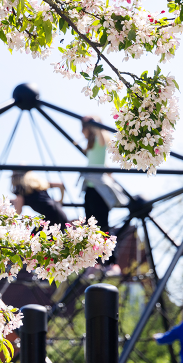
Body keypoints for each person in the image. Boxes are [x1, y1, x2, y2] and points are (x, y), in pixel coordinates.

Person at [80, 116, 127, 273]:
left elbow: (102, 137)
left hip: (99, 188)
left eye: (85, 127)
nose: (82, 130)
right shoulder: (91, 144)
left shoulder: (100, 140)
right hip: (90, 187)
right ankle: (95, 261)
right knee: (91, 225)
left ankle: (112, 262)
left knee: (103, 224)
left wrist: (94, 122)